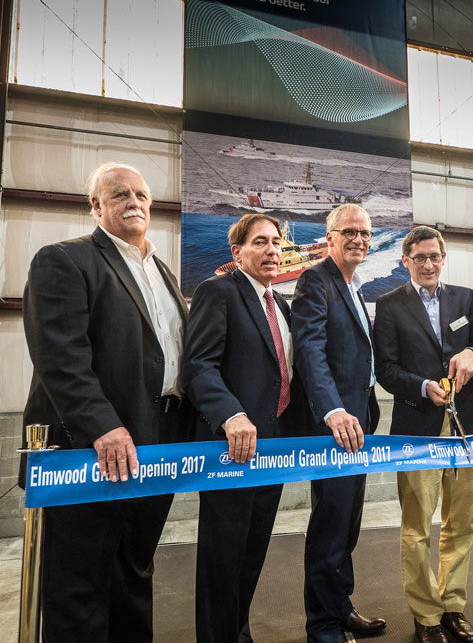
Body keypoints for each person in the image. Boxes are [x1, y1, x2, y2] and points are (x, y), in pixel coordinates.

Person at [21, 162, 190, 642]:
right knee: (80, 583)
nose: (133, 202)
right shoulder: (64, 259)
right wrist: (102, 427)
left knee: (134, 569)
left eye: (141, 194)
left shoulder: (161, 271)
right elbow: (60, 356)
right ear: (96, 206)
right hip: (93, 447)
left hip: (157, 442)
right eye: (119, 195)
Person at [183, 213, 307, 642]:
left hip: (272, 449)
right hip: (230, 449)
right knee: (222, 559)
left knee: (252, 555)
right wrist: (231, 414)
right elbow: (199, 366)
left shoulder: (280, 304)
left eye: (276, 242)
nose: (272, 250)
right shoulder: (218, 292)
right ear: (237, 253)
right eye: (260, 242)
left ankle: (238, 631)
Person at [374, 226, 473, 643]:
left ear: (444, 258)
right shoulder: (389, 305)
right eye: (420, 257)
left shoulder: (465, 298)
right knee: (416, 528)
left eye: (435, 257)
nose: (428, 264)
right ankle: (425, 615)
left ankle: (453, 606)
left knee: (462, 523)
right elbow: (386, 370)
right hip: (417, 427)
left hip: (466, 428)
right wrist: (422, 386)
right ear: (405, 260)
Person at [291, 204, 386, 643]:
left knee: (347, 525)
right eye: (349, 231)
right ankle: (323, 626)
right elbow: (309, 351)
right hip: (336, 427)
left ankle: (341, 607)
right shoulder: (315, 280)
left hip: (360, 421)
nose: (359, 240)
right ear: (328, 237)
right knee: (330, 528)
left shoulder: (353, 285)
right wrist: (332, 410)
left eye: (365, 233)